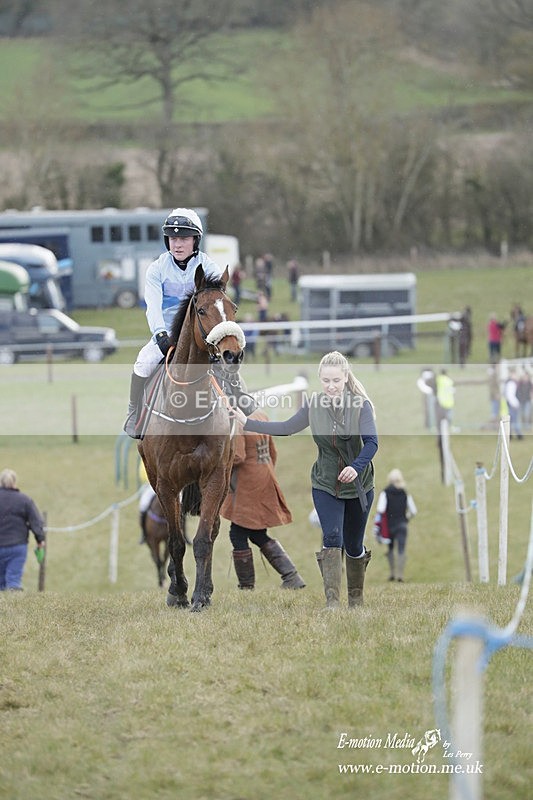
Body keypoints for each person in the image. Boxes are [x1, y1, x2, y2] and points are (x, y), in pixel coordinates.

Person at [232, 351, 378, 609]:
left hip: (359, 485)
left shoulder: (361, 406)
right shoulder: (314, 404)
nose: (331, 386)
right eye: (326, 381)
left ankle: (356, 601)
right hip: (325, 483)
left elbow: (371, 443)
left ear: (345, 378)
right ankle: (332, 605)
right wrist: (248, 422)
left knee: (354, 545)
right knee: (332, 538)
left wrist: (356, 468)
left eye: (335, 380)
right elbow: (287, 427)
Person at [123, 208, 223, 438]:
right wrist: (160, 335)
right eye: (173, 238)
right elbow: (153, 305)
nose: (177, 244)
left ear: (195, 240)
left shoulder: (209, 268)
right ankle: (134, 411)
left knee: (224, 365)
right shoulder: (156, 269)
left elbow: (216, 306)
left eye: (184, 238)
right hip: (168, 331)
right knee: (143, 363)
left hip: (201, 332)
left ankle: (235, 405)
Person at [220, 410, 305, 591]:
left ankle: (247, 586)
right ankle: (291, 576)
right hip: (264, 475)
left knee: (237, 534)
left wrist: (217, 456)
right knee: (257, 533)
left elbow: (238, 456)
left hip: (248, 482)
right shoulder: (261, 415)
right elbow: (272, 452)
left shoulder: (237, 420)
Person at [0, 468, 45, 591]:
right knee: (13, 579)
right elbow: (36, 522)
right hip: (17, 546)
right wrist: (40, 540)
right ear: (15, 482)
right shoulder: (24, 500)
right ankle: (14, 606)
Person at [375, 469, 417, 582]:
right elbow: (413, 511)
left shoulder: (385, 493)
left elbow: (380, 509)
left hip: (389, 525)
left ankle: (392, 572)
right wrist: (406, 518)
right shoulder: (405, 493)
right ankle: (400, 574)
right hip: (402, 524)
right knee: (401, 549)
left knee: (390, 548)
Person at [504, 368, 523, 440]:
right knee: (514, 420)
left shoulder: (511, 383)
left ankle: (511, 434)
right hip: (513, 404)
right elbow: (510, 395)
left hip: (512, 404)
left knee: (512, 420)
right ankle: (518, 434)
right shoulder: (511, 383)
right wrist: (515, 404)